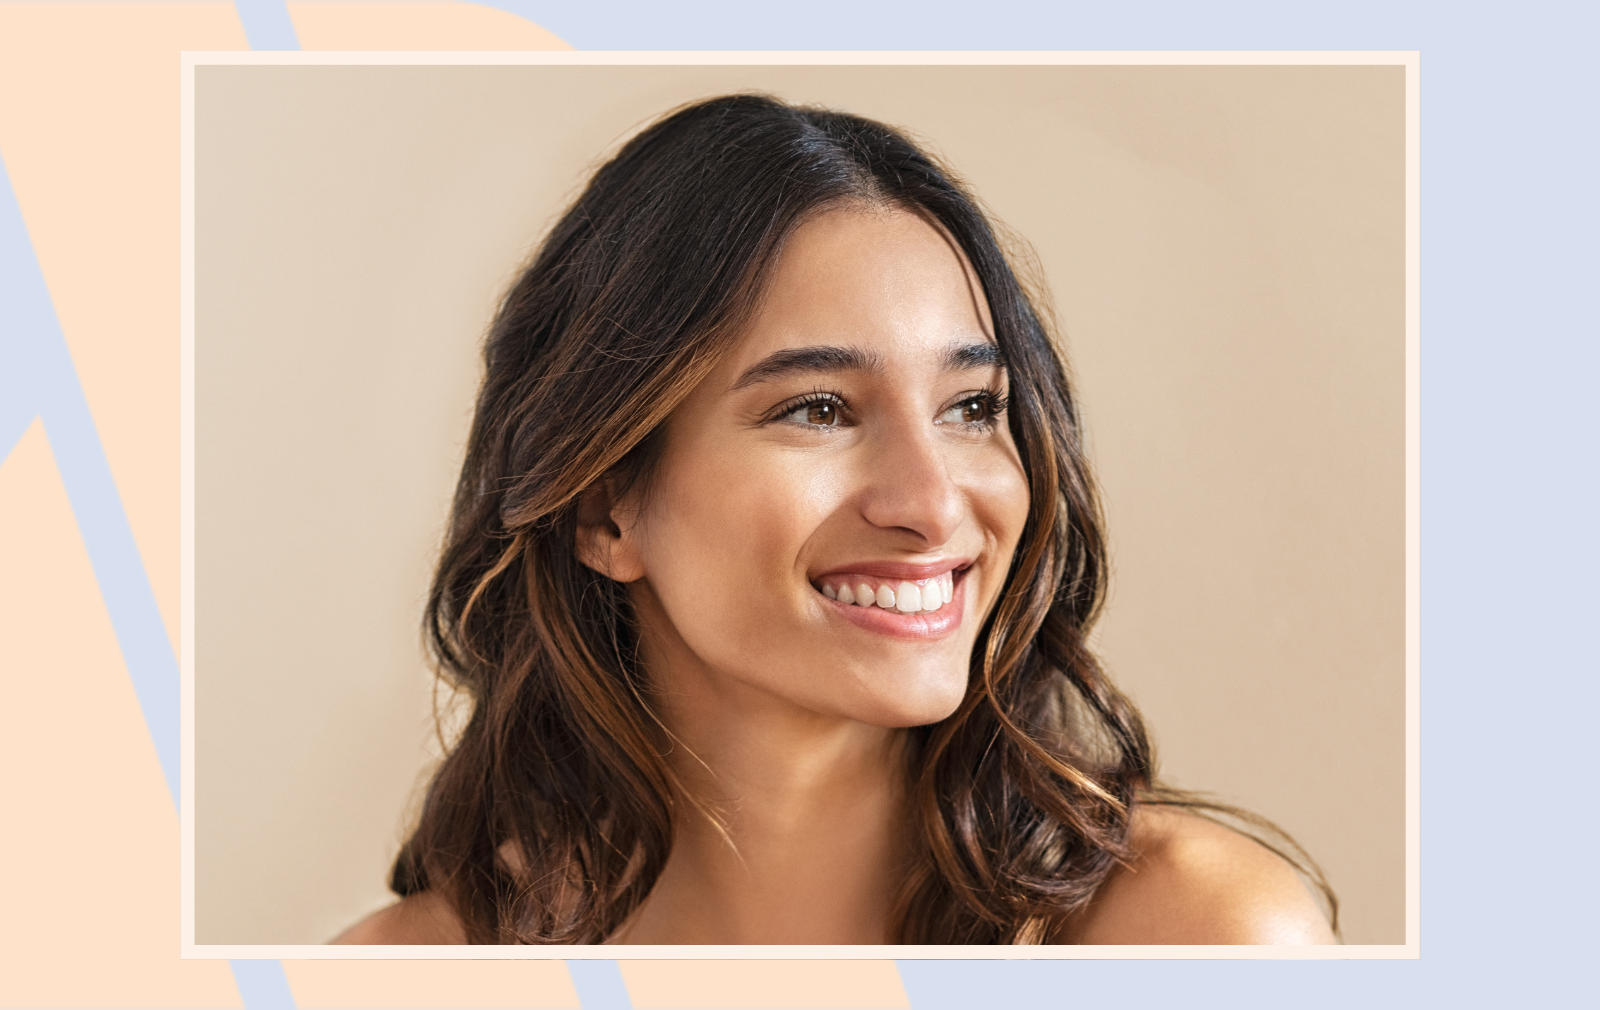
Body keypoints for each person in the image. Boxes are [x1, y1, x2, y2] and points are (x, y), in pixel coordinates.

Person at [335, 94, 1337, 945]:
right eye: (816, 409)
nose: (933, 501)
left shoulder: (1198, 940)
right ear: (605, 504)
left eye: (972, 408)